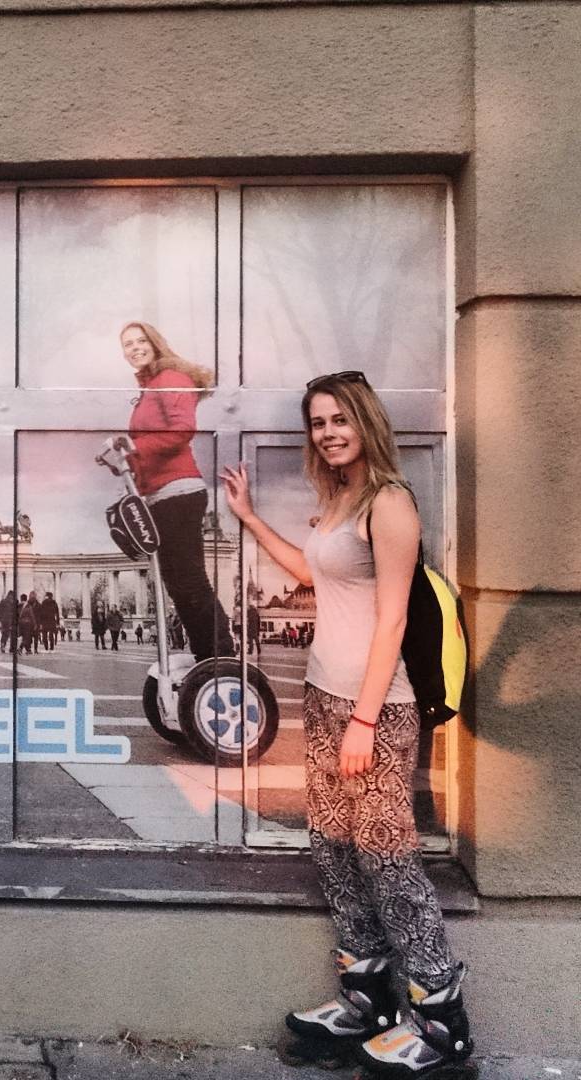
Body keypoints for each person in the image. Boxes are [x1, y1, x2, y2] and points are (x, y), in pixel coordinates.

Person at [221, 371, 473, 1077]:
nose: (329, 432)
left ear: (365, 421)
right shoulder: (339, 500)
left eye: (340, 419)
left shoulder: (389, 503)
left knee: (388, 859)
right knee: (334, 851)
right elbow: (312, 574)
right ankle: (369, 1000)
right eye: (318, 422)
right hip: (326, 698)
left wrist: (364, 718)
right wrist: (250, 518)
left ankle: (443, 1025)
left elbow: (391, 618)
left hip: (377, 709)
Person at [120, 322, 235, 661]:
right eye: (128, 344)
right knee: (177, 583)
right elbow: (149, 444)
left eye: (141, 341)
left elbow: (182, 430)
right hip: (159, 494)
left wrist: (134, 448)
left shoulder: (170, 378)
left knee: (189, 580)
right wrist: (125, 458)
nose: (135, 348)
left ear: (155, 343)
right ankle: (206, 656)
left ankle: (220, 654)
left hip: (179, 491)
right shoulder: (150, 387)